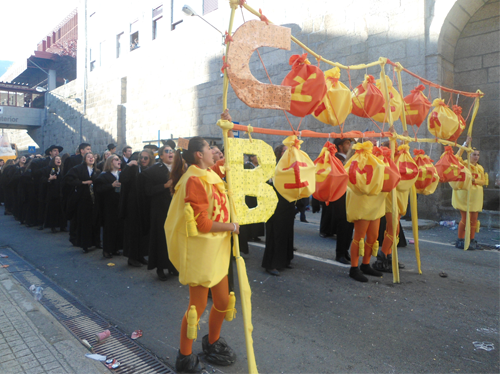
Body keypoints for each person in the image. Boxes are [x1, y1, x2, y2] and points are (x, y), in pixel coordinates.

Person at [165, 136, 238, 373]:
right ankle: (184, 357)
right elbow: (203, 224)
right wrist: (232, 227)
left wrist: (228, 127)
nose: (214, 151)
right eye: (209, 148)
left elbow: (227, 159)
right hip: (201, 253)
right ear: (199, 154)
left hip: (216, 250)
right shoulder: (194, 180)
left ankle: (213, 342)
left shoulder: (208, 173)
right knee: (196, 307)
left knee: (223, 302)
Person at [346, 142, 385, 282]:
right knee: (359, 236)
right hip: (362, 201)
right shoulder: (357, 160)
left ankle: (366, 264)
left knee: (373, 236)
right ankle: (354, 268)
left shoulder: (377, 160)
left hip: (376, 201)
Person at [142, 145, 177, 280]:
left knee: (173, 238)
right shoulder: (153, 170)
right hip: (160, 209)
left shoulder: (178, 168)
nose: (170, 154)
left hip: (174, 208)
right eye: (167, 151)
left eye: (171, 151)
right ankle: (160, 268)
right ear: (161, 156)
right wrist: (164, 186)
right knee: (160, 239)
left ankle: (173, 266)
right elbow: (148, 191)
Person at [261, 144, 295, 276]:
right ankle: (271, 264)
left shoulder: (291, 167)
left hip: (288, 204)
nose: (288, 153)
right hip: (275, 206)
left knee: (286, 233)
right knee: (275, 235)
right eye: (285, 151)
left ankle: (285, 260)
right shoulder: (273, 167)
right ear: (279, 153)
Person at [119, 149, 153, 267]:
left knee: (142, 232)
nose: (143, 160)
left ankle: (140, 255)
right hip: (132, 206)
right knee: (132, 232)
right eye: (141, 158)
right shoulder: (132, 169)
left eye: (146, 158)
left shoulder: (148, 170)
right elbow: (122, 178)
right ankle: (132, 257)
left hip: (144, 205)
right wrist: (128, 165)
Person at [453, 138, 487, 250]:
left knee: (474, 219)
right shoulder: (463, 164)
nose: (476, 157)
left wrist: (474, 181)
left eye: (477, 155)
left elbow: (483, 181)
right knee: (465, 218)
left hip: (476, 197)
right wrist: (465, 144)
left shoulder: (480, 168)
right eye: (474, 154)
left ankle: (472, 240)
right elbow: (456, 158)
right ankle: (460, 239)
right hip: (465, 196)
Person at [64, 152, 101, 253]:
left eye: (92, 157)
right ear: (84, 159)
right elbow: (68, 179)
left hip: (94, 199)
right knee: (84, 222)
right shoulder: (78, 168)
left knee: (95, 221)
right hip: (82, 199)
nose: (91, 158)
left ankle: (96, 242)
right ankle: (85, 244)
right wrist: (82, 183)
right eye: (88, 157)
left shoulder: (97, 171)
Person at [62, 143, 92, 245]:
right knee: (75, 215)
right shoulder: (72, 160)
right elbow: (67, 177)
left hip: (87, 193)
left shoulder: (92, 163)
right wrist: (80, 183)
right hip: (75, 191)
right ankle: (74, 236)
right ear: (82, 151)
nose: (89, 151)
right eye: (88, 149)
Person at [94, 155, 123, 258]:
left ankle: (115, 248)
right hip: (108, 205)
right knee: (109, 228)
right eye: (116, 159)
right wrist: (111, 185)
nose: (119, 161)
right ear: (110, 162)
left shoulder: (120, 174)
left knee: (118, 227)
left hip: (119, 204)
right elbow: (98, 189)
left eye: (119, 159)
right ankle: (107, 250)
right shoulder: (104, 175)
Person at [331, 138, 354, 264]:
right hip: (340, 196)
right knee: (343, 225)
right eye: (347, 143)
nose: (349, 145)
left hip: (350, 196)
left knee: (349, 225)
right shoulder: (337, 159)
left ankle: (345, 251)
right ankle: (340, 253)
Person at [42, 156, 66, 233]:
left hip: (61, 193)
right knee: (53, 210)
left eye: (60, 159)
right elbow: (42, 179)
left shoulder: (63, 170)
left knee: (62, 210)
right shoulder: (49, 169)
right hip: (53, 193)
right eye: (57, 159)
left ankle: (62, 226)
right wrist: (49, 179)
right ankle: (53, 226)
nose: (59, 160)